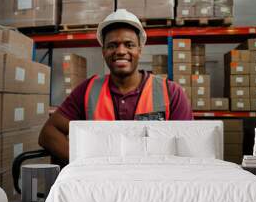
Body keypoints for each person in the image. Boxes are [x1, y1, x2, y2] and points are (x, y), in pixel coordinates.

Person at [39, 9, 193, 167]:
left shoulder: (170, 93)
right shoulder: (88, 90)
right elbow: (48, 133)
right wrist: (84, 163)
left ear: (140, 50)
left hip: (153, 183)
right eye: (112, 45)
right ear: (103, 51)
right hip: (102, 183)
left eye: (129, 45)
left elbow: (190, 146)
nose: (120, 51)